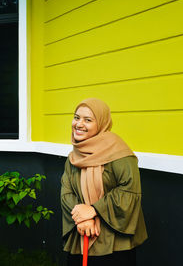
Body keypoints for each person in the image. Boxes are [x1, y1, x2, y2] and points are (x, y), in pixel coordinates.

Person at [61, 98, 147, 266]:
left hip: (114, 243)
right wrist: (82, 218)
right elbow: (66, 191)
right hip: (81, 235)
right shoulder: (74, 156)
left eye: (88, 120)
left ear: (101, 123)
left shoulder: (120, 153)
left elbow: (129, 191)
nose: (79, 124)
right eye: (76, 117)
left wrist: (93, 210)